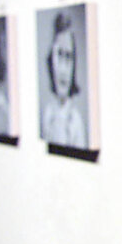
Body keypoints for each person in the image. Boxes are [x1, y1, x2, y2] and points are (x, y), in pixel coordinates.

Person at [41, 10, 87, 147]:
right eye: (59, 55)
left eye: (69, 57)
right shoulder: (47, 114)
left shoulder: (75, 121)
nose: (63, 69)